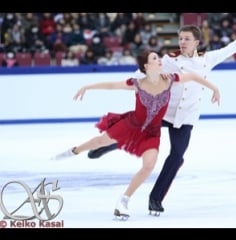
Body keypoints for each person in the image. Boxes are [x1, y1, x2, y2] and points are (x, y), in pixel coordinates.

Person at [87, 22, 236, 214]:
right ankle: (106, 145)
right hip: (164, 110)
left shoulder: (207, 59)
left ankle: (155, 199)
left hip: (186, 116)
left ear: (197, 42)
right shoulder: (169, 60)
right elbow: (145, 71)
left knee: (177, 155)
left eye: (187, 39)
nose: (182, 42)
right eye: (180, 38)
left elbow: (232, 47)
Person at [51, 50, 220, 219]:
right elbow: (112, 85)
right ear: (147, 66)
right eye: (155, 58)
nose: (160, 60)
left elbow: (192, 76)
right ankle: (74, 150)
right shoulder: (137, 83)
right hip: (131, 125)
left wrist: (214, 88)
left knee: (148, 165)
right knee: (100, 141)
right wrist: (86, 87)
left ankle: (124, 200)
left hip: (152, 133)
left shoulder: (170, 80)